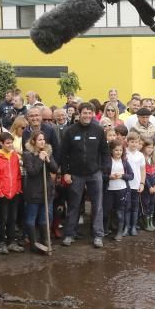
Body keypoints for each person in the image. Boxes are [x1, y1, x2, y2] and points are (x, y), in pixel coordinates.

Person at [60, 103, 109, 248]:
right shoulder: (70, 131)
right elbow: (64, 155)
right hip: (76, 175)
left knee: (97, 206)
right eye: (84, 113)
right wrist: (65, 172)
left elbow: (105, 152)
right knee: (74, 205)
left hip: (95, 174)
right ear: (79, 114)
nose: (87, 115)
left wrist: (104, 169)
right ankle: (70, 234)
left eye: (90, 113)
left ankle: (98, 235)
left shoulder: (99, 130)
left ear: (93, 114)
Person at [22, 130, 58, 252]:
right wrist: (40, 159)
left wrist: (48, 159)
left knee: (45, 217)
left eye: (43, 139)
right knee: (31, 218)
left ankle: (45, 240)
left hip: (46, 190)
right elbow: (32, 172)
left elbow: (54, 169)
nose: (42, 142)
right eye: (39, 140)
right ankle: (33, 242)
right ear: (33, 141)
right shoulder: (27, 154)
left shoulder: (47, 152)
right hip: (34, 192)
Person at [0, 132, 25, 254]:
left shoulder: (15, 156)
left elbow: (18, 175)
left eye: (11, 142)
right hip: (2, 193)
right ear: (1, 143)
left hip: (14, 192)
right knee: (3, 218)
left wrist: (18, 188)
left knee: (12, 218)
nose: (10, 145)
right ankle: (2, 242)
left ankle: (11, 241)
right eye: (7, 143)